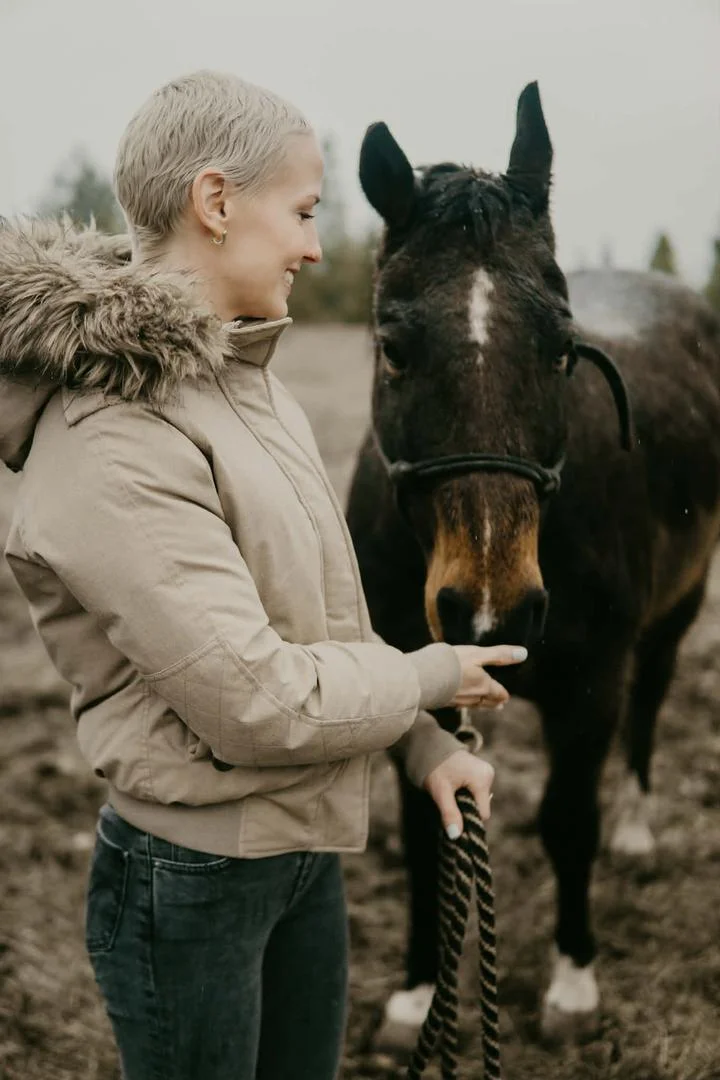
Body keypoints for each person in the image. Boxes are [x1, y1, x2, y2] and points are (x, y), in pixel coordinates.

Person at [0, 71, 527, 1080]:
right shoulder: (118, 436)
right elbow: (250, 698)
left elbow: (311, 625)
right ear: (214, 202)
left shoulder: (245, 387)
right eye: (303, 211)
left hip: (296, 859)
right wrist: (427, 678)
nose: (318, 245)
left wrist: (423, 749)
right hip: (190, 879)